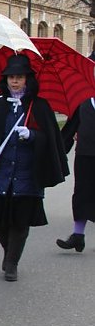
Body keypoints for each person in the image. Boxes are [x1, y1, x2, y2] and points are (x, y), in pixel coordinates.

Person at [0, 55, 67, 281]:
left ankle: (12, 263)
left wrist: (33, 135)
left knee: (20, 220)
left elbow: (50, 138)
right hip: (1, 173)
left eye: (19, 78)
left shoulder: (39, 106)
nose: (14, 82)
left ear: (28, 80)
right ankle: (10, 252)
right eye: (11, 78)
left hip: (27, 173)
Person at [56, 96, 95, 252]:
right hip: (84, 155)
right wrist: (57, 153)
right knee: (81, 194)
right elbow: (69, 130)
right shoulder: (83, 104)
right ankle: (78, 235)